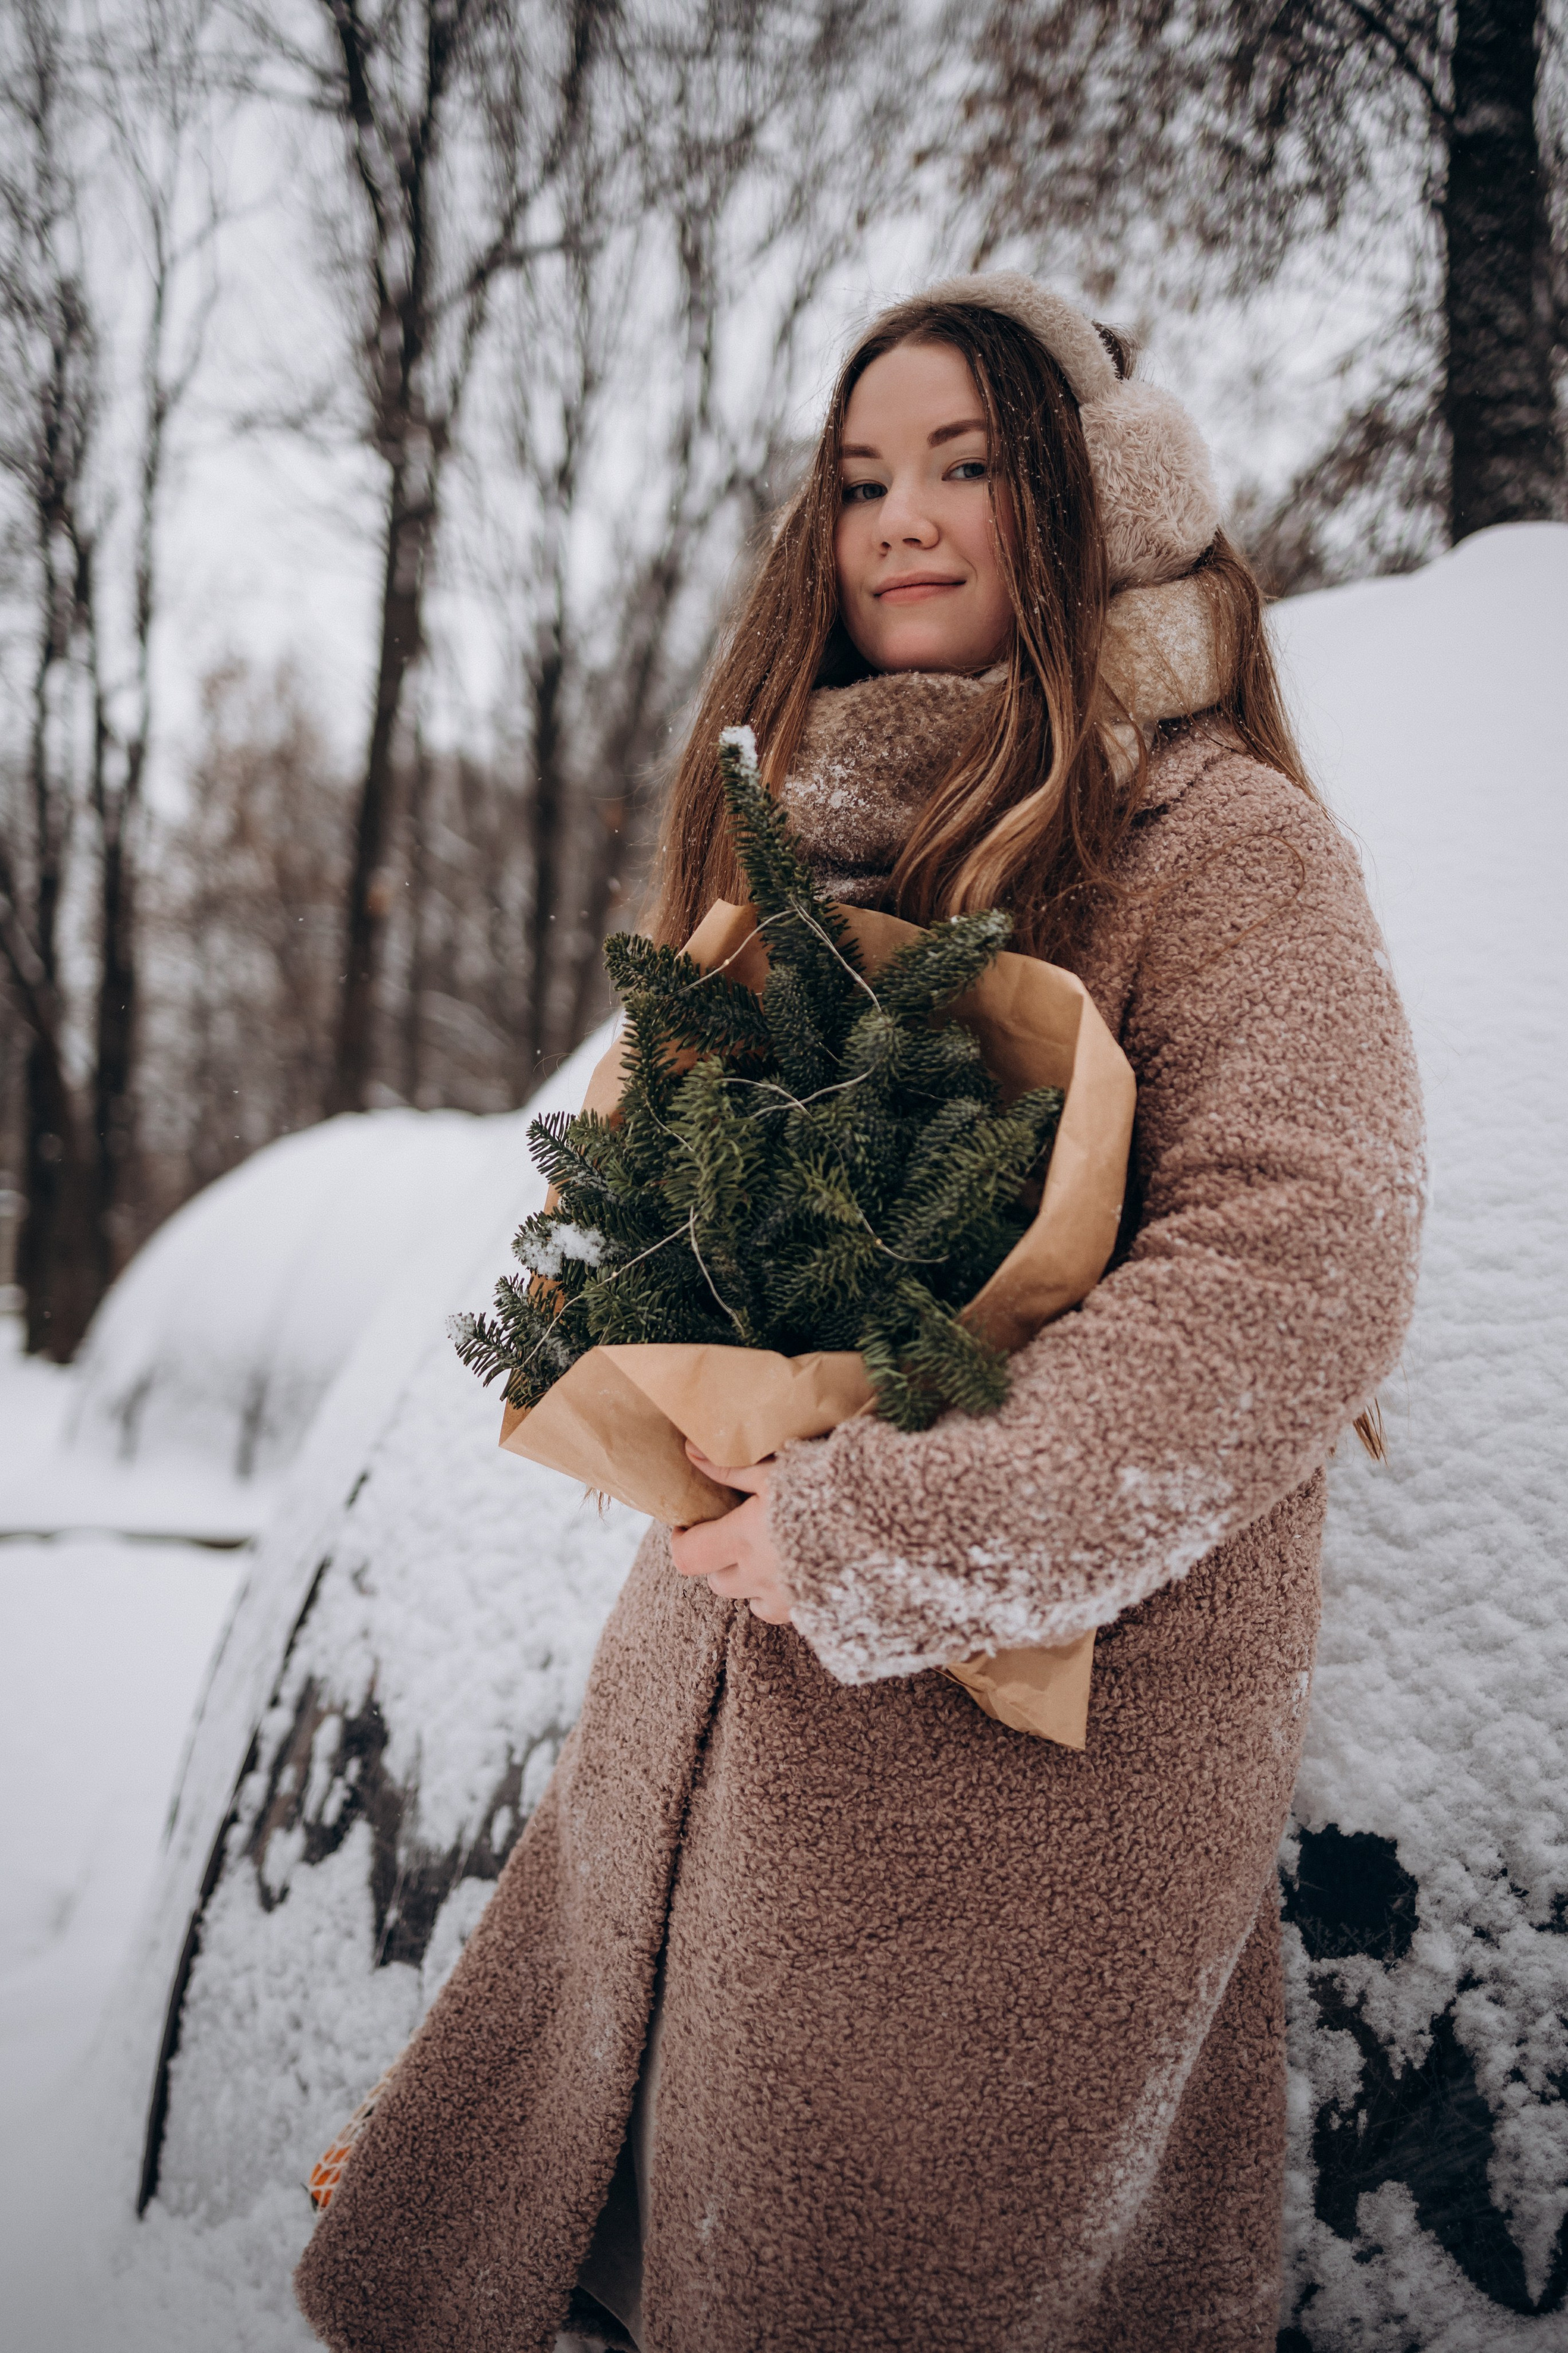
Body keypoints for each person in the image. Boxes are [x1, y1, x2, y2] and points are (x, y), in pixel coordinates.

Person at [294, 273, 1423, 2353]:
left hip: (1029, 1785)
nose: (903, 518)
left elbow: (1302, 1264)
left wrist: (892, 1525)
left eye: (971, 467)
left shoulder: (1221, 849)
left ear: (1097, 497)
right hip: (734, 1713)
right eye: (863, 477)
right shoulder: (794, 854)